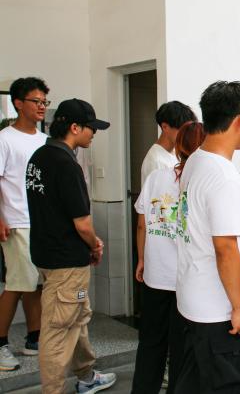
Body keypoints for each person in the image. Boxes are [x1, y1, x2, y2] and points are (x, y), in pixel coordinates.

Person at [174, 81, 240, 393]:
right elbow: (225, 248)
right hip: (220, 312)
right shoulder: (224, 177)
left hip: (194, 302)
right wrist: (239, 308)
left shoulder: (195, 161)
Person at [26, 98, 116, 393]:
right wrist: (95, 245)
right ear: (75, 127)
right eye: (91, 128)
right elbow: (83, 224)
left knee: (76, 316)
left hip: (46, 255)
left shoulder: (39, 157)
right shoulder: (66, 164)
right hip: (66, 262)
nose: (94, 134)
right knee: (58, 330)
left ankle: (87, 376)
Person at [131, 121, 205, 394]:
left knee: (150, 342)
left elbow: (142, 224)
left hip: (155, 275)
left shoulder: (156, 178)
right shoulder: (200, 182)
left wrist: (142, 259)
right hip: (184, 281)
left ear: (178, 147)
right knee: (180, 348)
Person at [0, 77, 49, 371]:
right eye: (36, 101)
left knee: (34, 283)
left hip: (40, 222)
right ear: (18, 103)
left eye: (44, 102)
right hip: (16, 221)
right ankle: (0, 344)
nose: (42, 106)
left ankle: (35, 338)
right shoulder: (5, 138)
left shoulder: (44, 140)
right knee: (18, 284)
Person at [141, 101, 197, 185]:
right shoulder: (156, 161)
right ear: (165, 127)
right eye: (181, 130)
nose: (185, 135)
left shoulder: (175, 153)